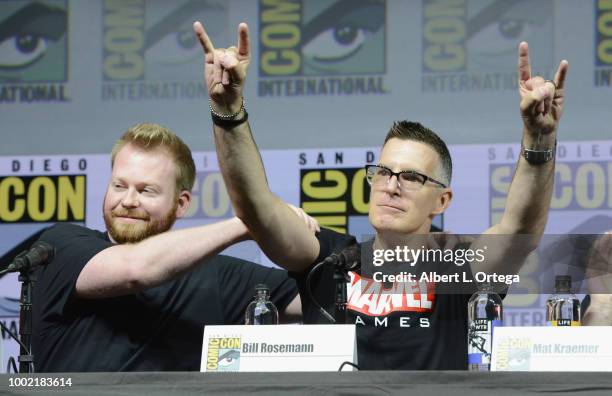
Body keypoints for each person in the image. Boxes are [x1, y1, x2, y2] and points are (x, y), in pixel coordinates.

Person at [192, 21, 568, 370]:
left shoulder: (460, 269)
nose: (391, 185)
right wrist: (228, 113)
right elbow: (257, 209)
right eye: (384, 172)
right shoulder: (330, 262)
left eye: (411, 177)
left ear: (442, 201)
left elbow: (521, 230)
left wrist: (539, 137)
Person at [32, 123, 313, 372]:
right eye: (119, 186)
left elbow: (321, 292)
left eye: (146, 191)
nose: (128, 200)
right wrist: (249, 222)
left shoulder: (218, 277)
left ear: (181, 204)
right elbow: (134, 269)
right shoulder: (60, 245)